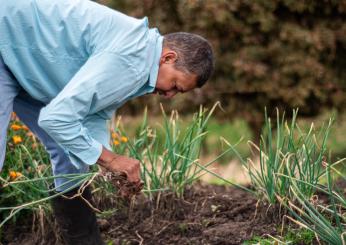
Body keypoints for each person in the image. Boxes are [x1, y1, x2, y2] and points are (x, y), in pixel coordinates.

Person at [0, 0, 214, 244]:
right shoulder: (132, 60)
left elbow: (93, 114)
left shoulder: (141, 59)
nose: (169, 95)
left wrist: (109, 167)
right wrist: (112, 160)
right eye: (175, 85)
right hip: (5, 37)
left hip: (24, 59)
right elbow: (56, 119)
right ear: (168, 58)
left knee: (71, 155)